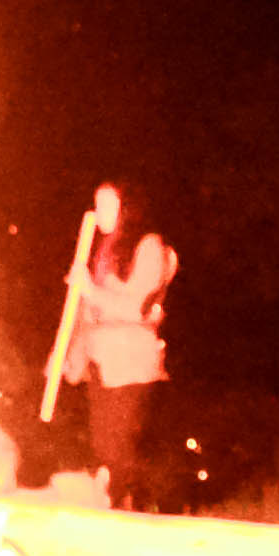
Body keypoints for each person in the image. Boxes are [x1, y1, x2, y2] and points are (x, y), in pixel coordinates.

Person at [65, 181, 177, 512]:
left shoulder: (149, 247)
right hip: (101, 361)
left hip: (131, 363)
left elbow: (136, 308)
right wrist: (70, 357)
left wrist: (90, 290)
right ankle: (114, 509)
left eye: (106, 205)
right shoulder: (101, 251)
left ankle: (148, 508)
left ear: (127, 209)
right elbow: (86, 314)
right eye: (96, 204)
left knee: (121, 452)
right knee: (103, 447)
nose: (97, 213)